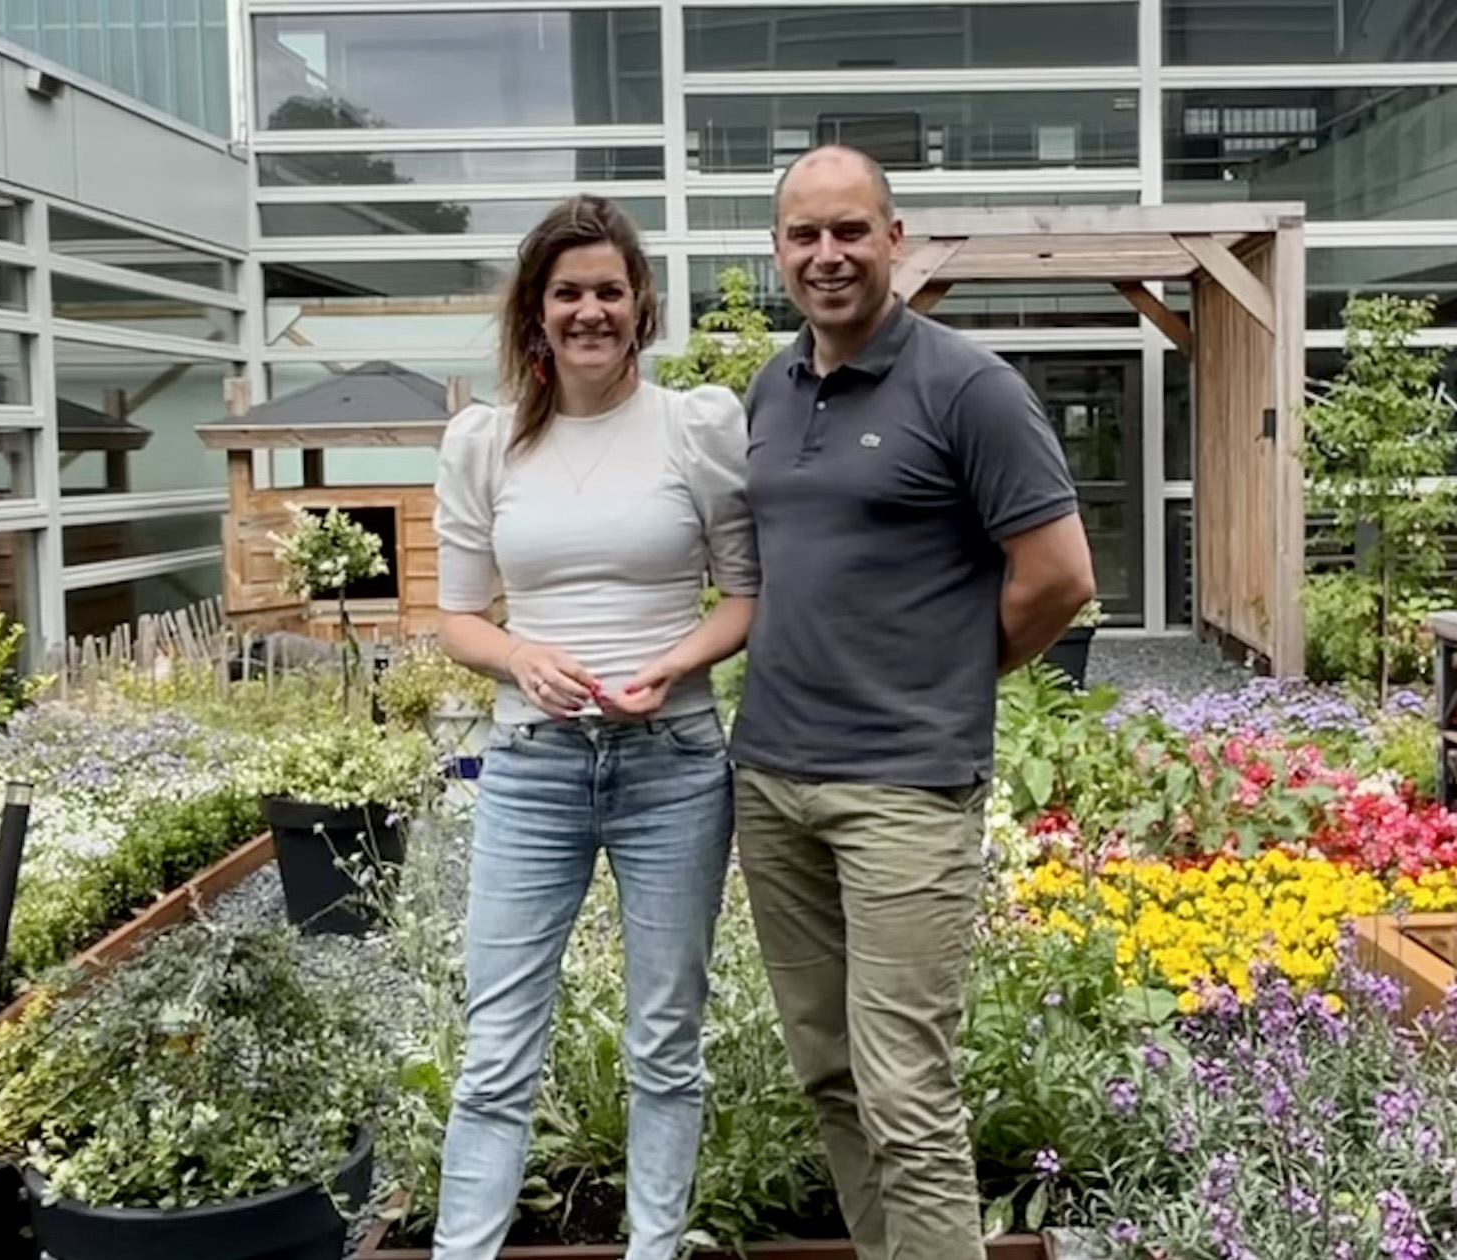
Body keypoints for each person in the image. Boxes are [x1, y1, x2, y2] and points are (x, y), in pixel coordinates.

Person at [728, 145, 1096, 1260]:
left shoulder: (967, 387)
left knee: (906, 1092)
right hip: (773, 778)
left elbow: (1061, 577)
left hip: (905, 788)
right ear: (779, 252)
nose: (827, 255)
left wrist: (945, 672)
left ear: (896, 239)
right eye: (804, 235)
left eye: (850, 231)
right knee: (829, 1073)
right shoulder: (769, 388)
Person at [428, 194, 758, 1260]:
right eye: (568, 292)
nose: (590, 311)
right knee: (495, 1046)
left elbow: (748, 600)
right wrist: (522, 656)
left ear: (641, 303)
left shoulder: (697, 426)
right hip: (532, 765)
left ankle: (653, 1248)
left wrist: (675, 661)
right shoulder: (483, 444)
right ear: (536, 310)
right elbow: (458, 620)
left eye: (609, 291)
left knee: (666, 1041)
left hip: (673, 764)